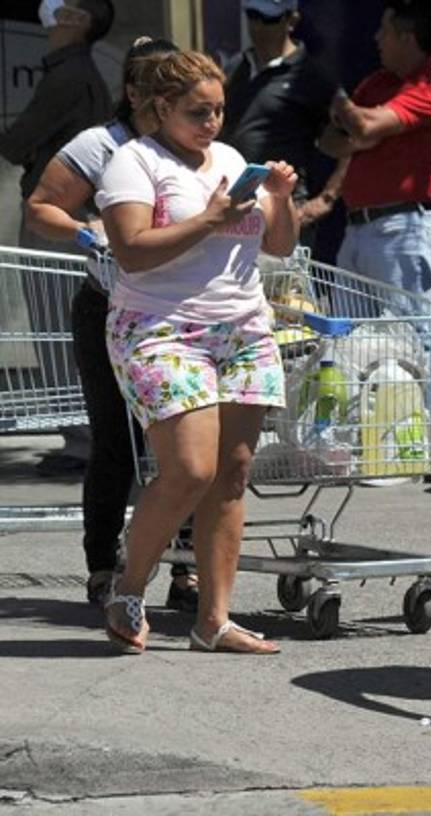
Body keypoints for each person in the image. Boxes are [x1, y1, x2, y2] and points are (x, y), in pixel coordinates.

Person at [95, 49, 299, 654]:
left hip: (241, 330)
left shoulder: (232, 161)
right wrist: (211, 218)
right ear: (160, 108)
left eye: (218, 110)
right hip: (159, 330)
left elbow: (281, 246)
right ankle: (129, 588)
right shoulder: (133, 163)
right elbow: (131, 249)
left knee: (232, 473)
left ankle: (215, 620)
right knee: (190, 469)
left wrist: (282, 198)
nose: (212, 122)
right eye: (197, 111)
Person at [23, 37, 205, 611]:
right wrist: (86, 230)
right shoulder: (100, 145)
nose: (165, 102)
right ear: (133, 92)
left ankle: (186, 566)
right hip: (110, 305)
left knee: (190, 444)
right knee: (117, 442)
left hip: (183, 310)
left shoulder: (197, 144)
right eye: (156, 89)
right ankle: (104, 566)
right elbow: (41, 205)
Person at [0, 0, 114, 476]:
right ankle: (82, 433)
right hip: (65, 214)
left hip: (61, 218)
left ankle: (85, 438)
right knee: (62, 330)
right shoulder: (70, 72)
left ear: (76, 19)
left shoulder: (69, 75)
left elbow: (18, 140)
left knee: (60, 333)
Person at [319, 0, 431, 317]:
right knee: (351, 349)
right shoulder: (376, 83)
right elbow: (331, 142)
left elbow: (363, 127)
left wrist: (338, 98)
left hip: (403, 229)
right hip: (356, 228)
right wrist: (364, 132)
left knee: (409, 349)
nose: (376, 39)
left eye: (384, 31)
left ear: (407, 38)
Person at [221, 0, 343, 245]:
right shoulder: (234, 68)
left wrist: (327, 198)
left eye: (269, 19)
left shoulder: (312, 76)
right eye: (253, 15)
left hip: (284, 211)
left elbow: (353, 137)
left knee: (286, 284)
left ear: (292, 21)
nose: (258, 26)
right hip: (235, 206)